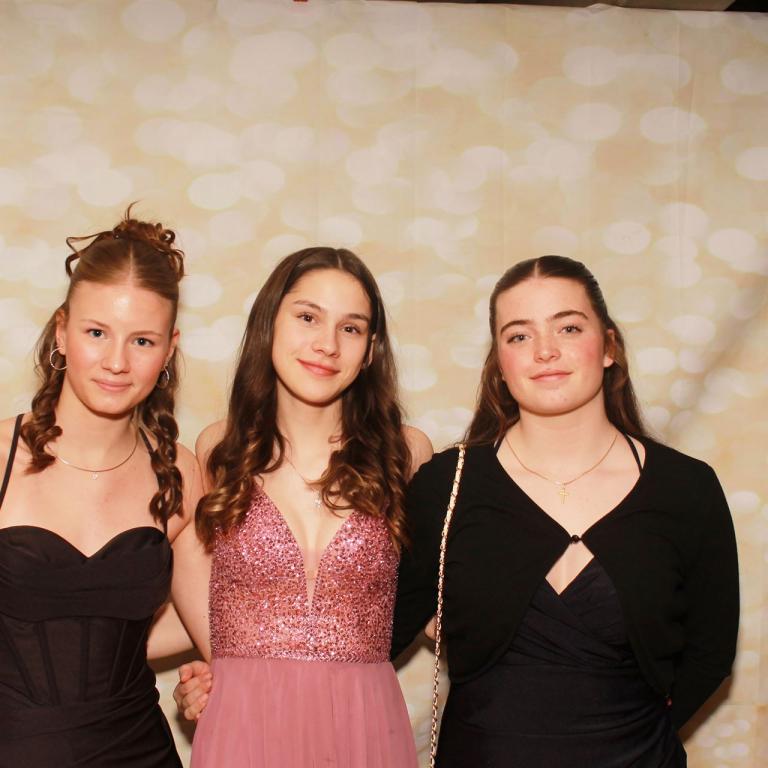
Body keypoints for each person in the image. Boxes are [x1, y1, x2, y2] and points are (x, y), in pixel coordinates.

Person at [390, 255, 740, 767]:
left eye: (568, 327)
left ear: (609, 346)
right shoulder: (447, 486)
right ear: (499, 364)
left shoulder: (686, 488)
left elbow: (710, 653)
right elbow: (374, 629)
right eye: (519, 335)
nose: (545, 351)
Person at [171, 247, 432, 767]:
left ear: (371, 350)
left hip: (364, 726)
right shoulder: (219, 449)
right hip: (245, 726)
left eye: (351, 328)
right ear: (269, 323)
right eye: (308, 317)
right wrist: (215, 667)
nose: (327, 344)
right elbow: (191, 576)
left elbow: (436, 587)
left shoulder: (407, 453)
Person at [0, 210, 202, 767]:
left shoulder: (180, 472)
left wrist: (215, 676)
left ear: (169, 349)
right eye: (96, 333)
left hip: (141, 751)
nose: (116, 362)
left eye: (142, 340)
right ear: (61, 331)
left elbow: (213, 619)